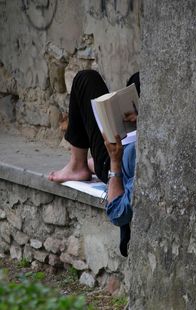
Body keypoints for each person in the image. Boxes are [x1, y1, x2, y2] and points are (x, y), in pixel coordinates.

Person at [48, 70, 140, 257]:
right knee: (140, 79)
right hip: (132, 135)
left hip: (114, 154)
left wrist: (114, 162)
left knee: (85, 80)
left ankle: (78, 165)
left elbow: (118, 213)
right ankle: (90, 164)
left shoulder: (144, 167)